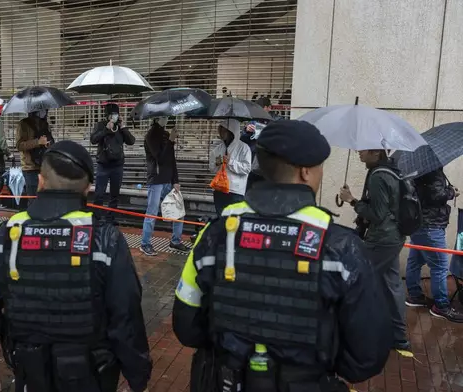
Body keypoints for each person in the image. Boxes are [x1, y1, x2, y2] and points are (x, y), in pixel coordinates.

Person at [173, 120, 393, 392]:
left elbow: (186, 326)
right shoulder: (342, 248)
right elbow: (366, 357)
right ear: (305, 172)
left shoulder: (215, 234)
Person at [0, 140, 151, 392]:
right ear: (88, 189)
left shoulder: (4, 235)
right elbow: (126, 315)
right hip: (94, 376)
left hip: (29, 373)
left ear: (40, 181)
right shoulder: (106, 239)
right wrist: (137, 377)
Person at [339, 150, 410, 351]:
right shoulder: (391, 171)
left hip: (381, 240)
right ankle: (399, 336)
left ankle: (352, 330)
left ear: (376, 152)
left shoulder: (378, 176)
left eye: (363, 149)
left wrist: (351, 200)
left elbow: (377, 215)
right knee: (392, 285)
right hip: (394, 237)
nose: (359, 152)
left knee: (357, 280)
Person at [404, 167, 463, 322]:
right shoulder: (432, 169)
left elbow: (426, 192)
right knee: (440, 266)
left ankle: (415, 296)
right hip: (431, 225)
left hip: (418, 222)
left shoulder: (415, 169)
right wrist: (451, 192)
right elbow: (436, 195)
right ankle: (441, 306)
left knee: (414, 261)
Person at [141, 116, 189, 256]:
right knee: (152, 212)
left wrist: (176, 180)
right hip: (156, 179)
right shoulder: (151, 135)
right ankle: (145, 243)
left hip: (168, 180)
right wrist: (171, 141)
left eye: (167, 116)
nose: (166, 119)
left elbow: (171, 159)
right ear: (156, 118)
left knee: (178, 210)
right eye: (163, 116)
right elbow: (160, 158)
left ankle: (176, 240)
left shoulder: (165, 135)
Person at [91, 103, 135, 222]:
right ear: (107, 115)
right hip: (103, 165)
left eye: (116, 114)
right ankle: (96, 218)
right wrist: (105, 129)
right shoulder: (100, 125)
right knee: (99, 194)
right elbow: (93, 140)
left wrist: (123, 127)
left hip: (117, 165)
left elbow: (131, 141)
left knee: (114, 194)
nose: (115, 116)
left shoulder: (120, 127)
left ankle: (110, 218)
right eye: (112, 114)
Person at [209, 118, 252, 214]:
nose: (221, 133)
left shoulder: (244, 148)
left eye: (224, 130)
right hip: (219, 190)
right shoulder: (217, 149)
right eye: (220, 130)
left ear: (232, 131)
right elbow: (212, 168)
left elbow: (247, 168)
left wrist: (231, 162)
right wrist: (218, 163)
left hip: (235, 191)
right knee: (221, 219)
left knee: (233, 221)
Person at [16, 109, 55, 205]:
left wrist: (48, 144)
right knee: (33, 199)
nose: (44, 111)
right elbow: (19, 145)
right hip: (30, 167)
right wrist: (37, 142)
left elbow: (50, 140)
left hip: (44, 165)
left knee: (45, 198)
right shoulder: (23, 124)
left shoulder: (44, 124)